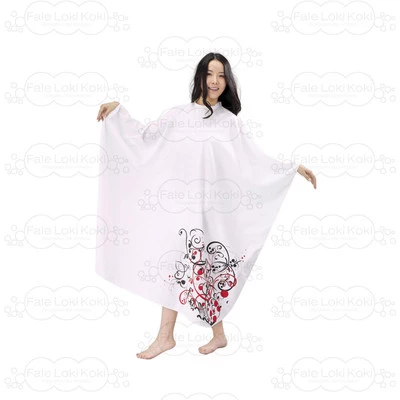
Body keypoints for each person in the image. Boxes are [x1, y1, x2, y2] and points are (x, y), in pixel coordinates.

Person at [96, 53, 317, 360]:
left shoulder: (229, 122)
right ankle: (167, 337)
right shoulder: (177, 116)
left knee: (209, 269)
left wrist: (292, 168)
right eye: (210, 74)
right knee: (178, 267)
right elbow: (144, 137)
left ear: (227, 81)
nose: (215, 81)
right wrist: (118, 110)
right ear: (200, 76)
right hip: (180, 211)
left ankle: (215, 335)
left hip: (213, 211)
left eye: (221, 75)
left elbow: (254, 160)